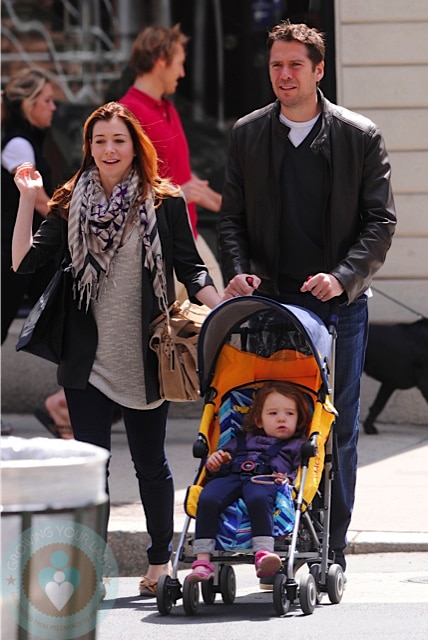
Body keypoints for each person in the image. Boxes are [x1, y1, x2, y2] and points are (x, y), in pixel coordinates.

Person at [12, 101, 224, 596]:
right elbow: (22, 263)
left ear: (135, 147)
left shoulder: (164, 201)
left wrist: (218, 307)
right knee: (93, 469)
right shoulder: (70, 202)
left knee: (151, 464)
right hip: (87, 362)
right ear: (88, 148)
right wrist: (28, 198)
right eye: (99, 141)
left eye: (118, 140)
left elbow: (190, 269)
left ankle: (158, 564)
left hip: (146, 357)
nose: (109, 149)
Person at [218, 22, 396, 575]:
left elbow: (380, 221)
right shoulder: (248, 133)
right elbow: (231, 221)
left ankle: (331, 546)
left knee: (335, 426)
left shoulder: (358, 135)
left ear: (320, 70)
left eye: (296, 64)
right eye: (277, 65)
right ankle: (281, 537)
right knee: (271, 424)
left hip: (338, 309)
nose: (285, 74)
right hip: (271, 309)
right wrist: (239, 271)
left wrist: (343, 276)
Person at [119, 24, 224, 301]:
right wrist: (178, 194)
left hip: (187, 235)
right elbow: (120, 188)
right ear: (160, 61)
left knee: (219, 322)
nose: (182, 73)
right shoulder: (127, 114)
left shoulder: (167, 108)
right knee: (189, 333)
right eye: (178, 64)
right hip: (153, 244)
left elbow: (181, 177)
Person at [187, 381, 311, 582]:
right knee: (208, 498)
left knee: (258, 499)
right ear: (259, 420)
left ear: (299, 419)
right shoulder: (241, 439)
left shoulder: (297, 445)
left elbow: (300, 473)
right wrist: (214, 462)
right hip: (231, 476)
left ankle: (263, 553)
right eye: (273, 414)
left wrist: (287, 480)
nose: (282, 418)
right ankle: (202, 560)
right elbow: (222, 457)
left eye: (290, 414)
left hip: (266, 480)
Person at [1, 68, 58, 344]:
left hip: (28, 252)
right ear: (28, 103)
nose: (53, 107)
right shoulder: (19, 144)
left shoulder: (29, 141)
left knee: (58, 317)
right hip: (9, 253)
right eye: (47, 100)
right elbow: (38, 200)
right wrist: (78, 223)